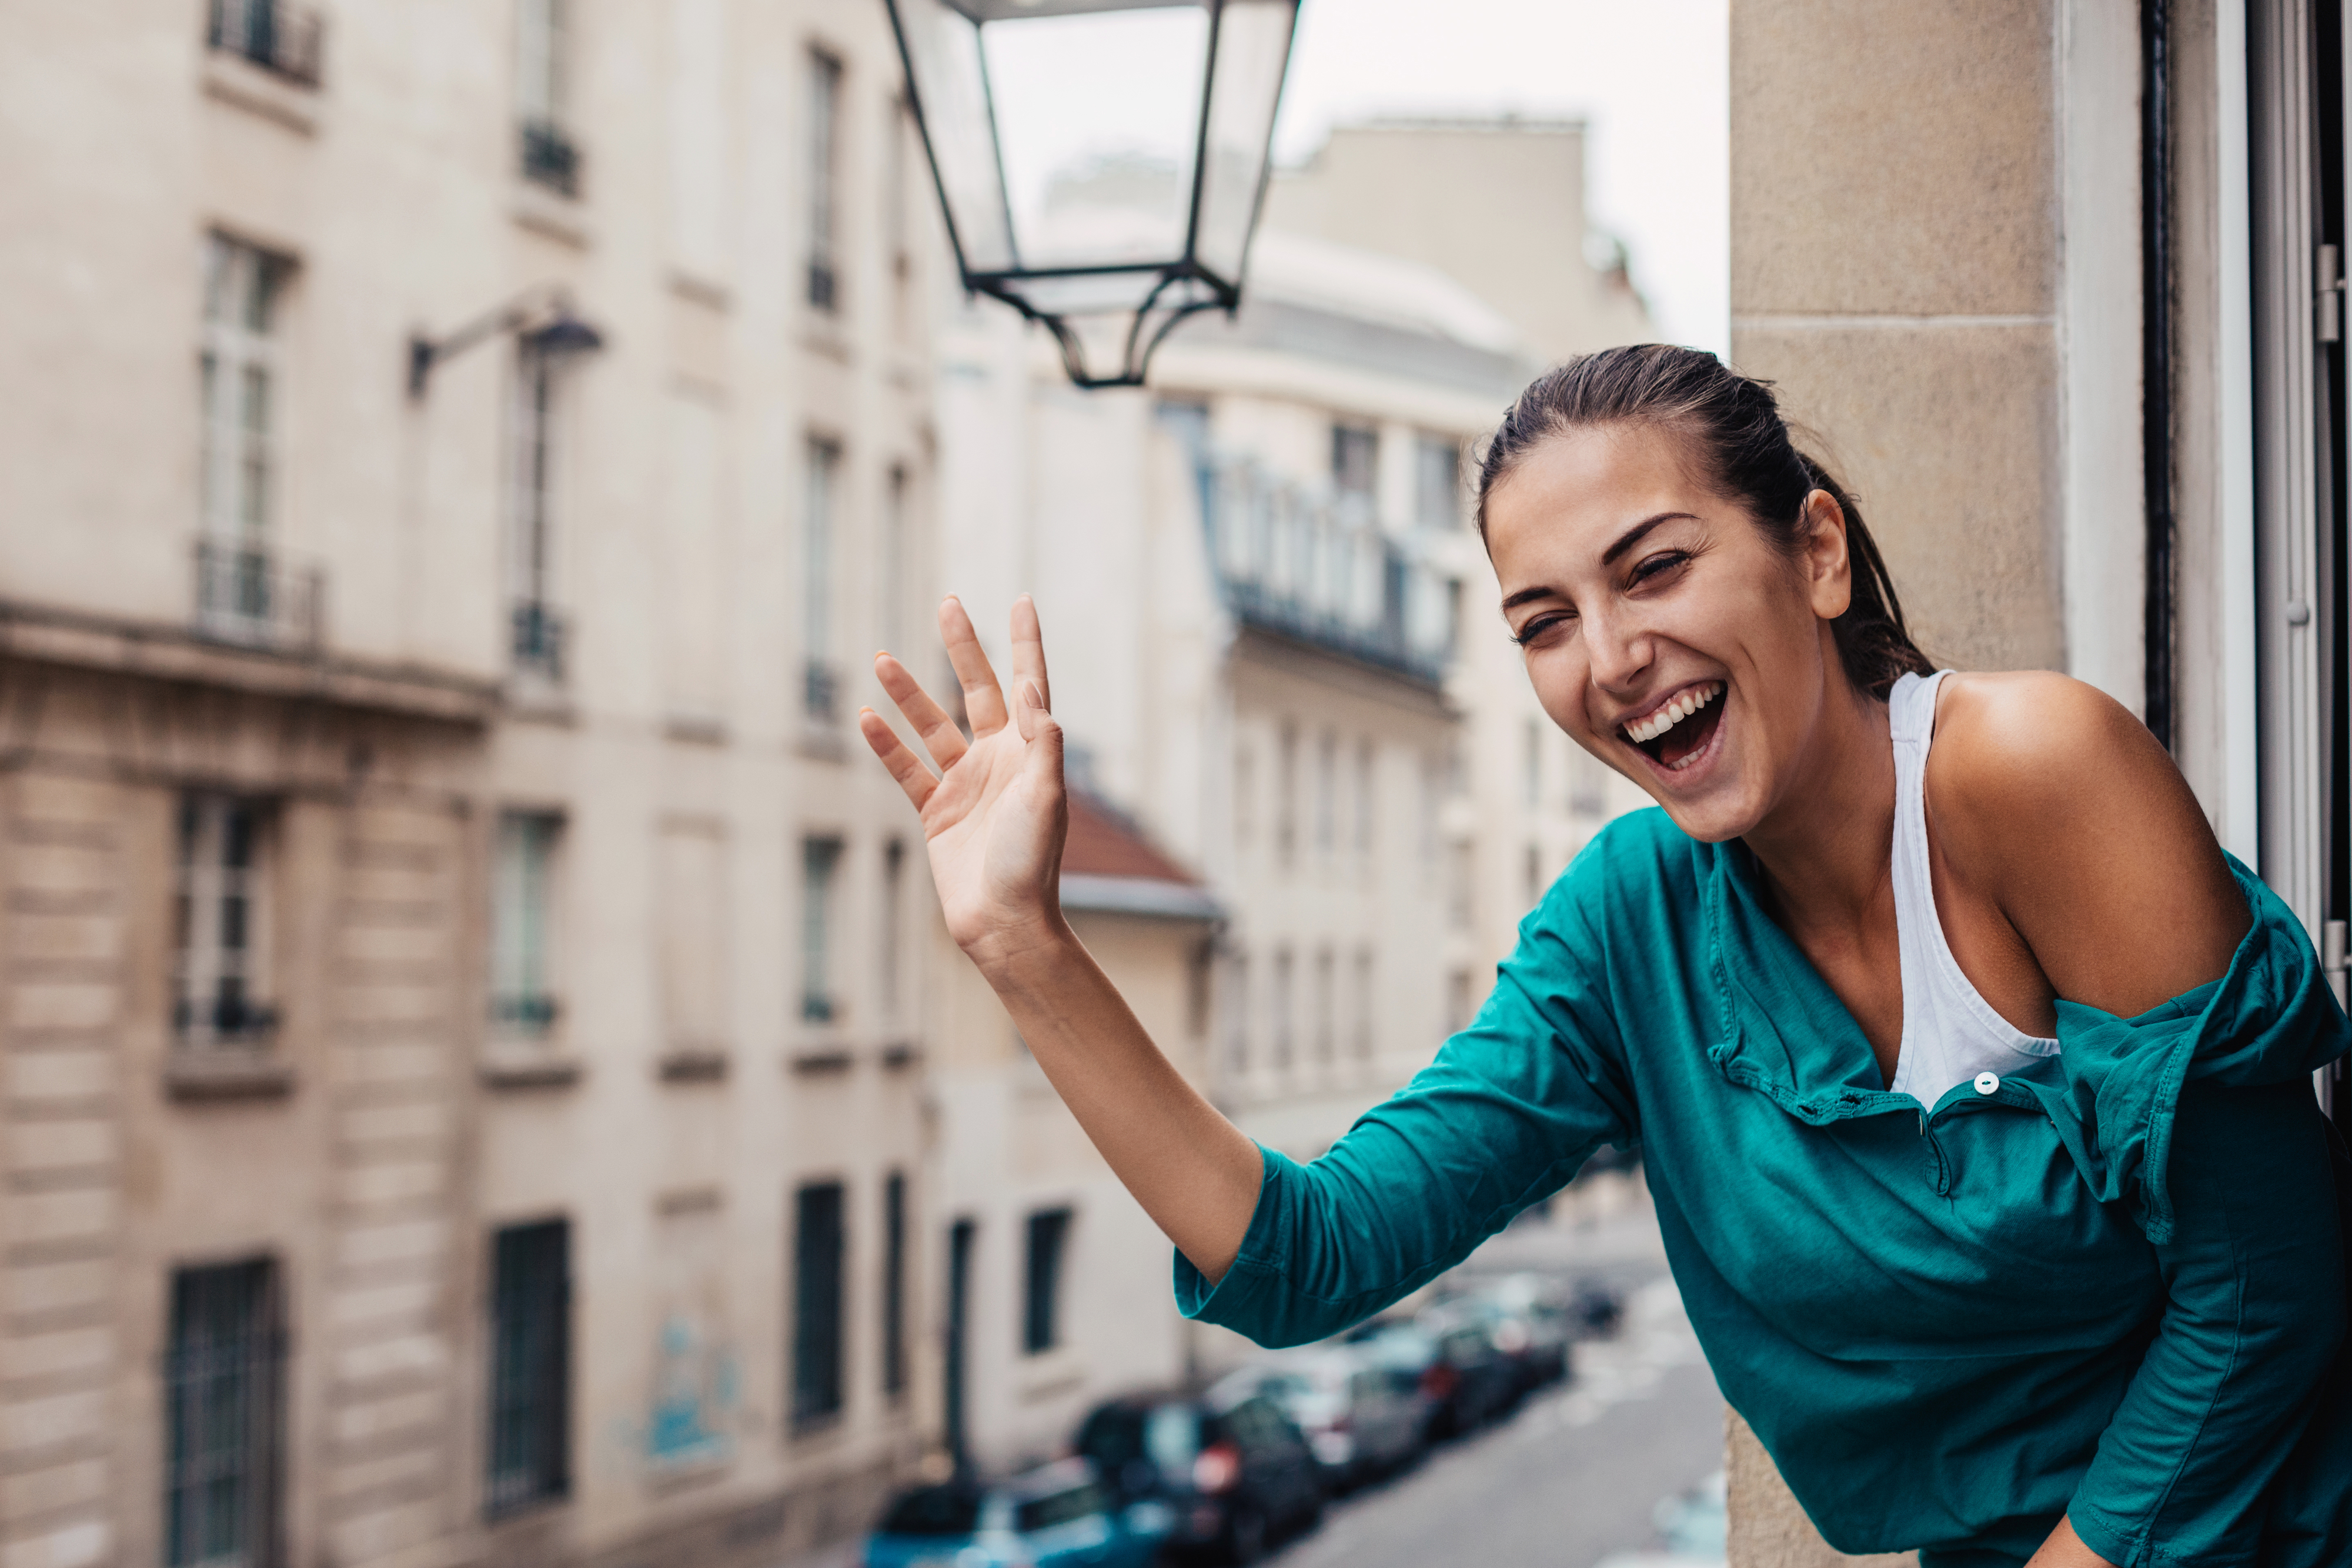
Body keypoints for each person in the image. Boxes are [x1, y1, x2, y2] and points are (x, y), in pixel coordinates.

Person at [858, 345, 2352, 1567]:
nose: (1609, 657)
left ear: (1813, 552)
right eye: (1543, 622)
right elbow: (1308, 1256)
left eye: (1653, 568)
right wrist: (1021, 944)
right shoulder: (1622, 921)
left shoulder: (2030, 766)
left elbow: (2265, 1281)